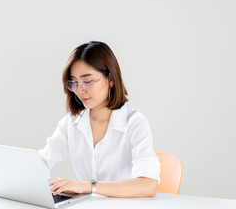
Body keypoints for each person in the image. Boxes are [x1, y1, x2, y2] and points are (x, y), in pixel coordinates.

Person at [38, 41, 160, 198]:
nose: (80, 90)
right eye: (74, 83)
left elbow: (148, 185)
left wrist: (87, 186)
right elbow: (43, 160)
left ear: (110, 79)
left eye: (87, 81)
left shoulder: (134, 122)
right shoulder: (72, 122)